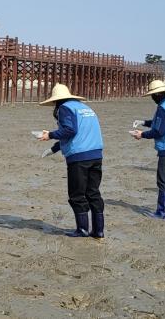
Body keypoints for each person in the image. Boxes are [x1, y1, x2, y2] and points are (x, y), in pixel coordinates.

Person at [38, 84, 105, 239]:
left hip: (79, 158)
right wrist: (54, 148)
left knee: (77, 194)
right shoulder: (85, 108)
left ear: (57, 101)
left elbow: (69, 130)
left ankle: (82, 229)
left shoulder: (64, 109)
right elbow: (79, 132)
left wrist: (50, 135)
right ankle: (98, 231)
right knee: (93, 193)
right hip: (96, 155)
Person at [130, 80, 165, 219]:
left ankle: (162, 213)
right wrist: (143, 122)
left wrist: (141, 134)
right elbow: (162, 123)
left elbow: (159, 131)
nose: (152, 98)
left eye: (152, 95)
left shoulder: (163, 108)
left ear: (157, 95)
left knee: (164, 181)